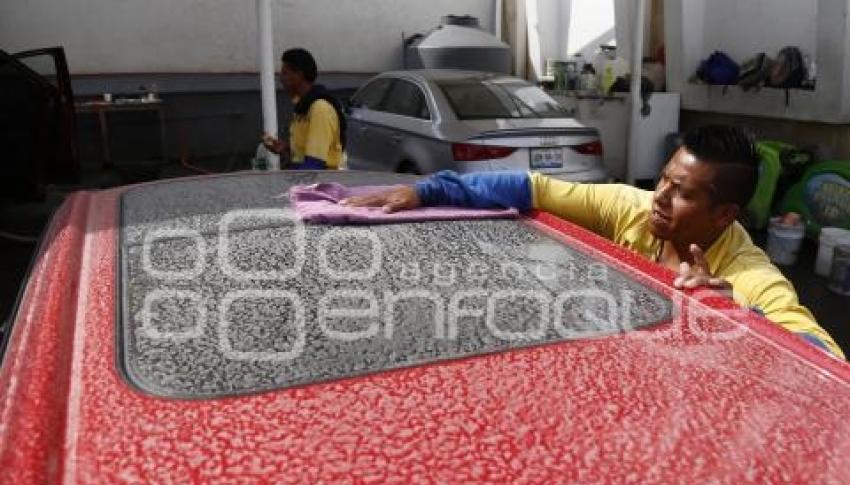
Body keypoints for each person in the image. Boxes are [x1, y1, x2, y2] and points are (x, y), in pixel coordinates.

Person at [342, 125, 844, 359]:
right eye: (664, 180)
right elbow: (533, 188)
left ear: (725, 214)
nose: (660, 197)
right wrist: (427, 189)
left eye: (683, 193)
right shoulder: (633, 207)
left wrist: (736, 314)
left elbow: (825, 359)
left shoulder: (748, 273)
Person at [262, 48, 345, 170]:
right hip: (307, 181)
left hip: (321, 185)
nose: (280, 78)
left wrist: (291, 187)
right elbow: (303, 156)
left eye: (285, 73)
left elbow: (314, 166)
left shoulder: (319, 109)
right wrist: (285, 150)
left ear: (299, 75)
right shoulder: (302, 107)